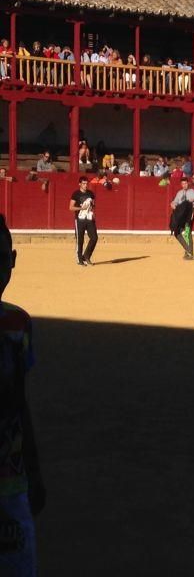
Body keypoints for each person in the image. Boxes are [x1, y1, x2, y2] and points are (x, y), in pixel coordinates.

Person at [0, 215, 46, 576]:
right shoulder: (17, 325)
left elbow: (21, 405)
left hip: (11, 480)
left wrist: (33, 470)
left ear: (13, 261)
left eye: (1, 259)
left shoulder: (19, 323)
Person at [170, 176, 194, 260]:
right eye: (183, 184)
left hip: (189, 216)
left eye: (186, 183)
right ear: (181, 184)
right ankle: (188, 251)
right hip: (180, 216)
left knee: (187, 233)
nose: (184, 185)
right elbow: (175, 201)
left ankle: (190, 253)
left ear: (188, 183)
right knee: (177, 233)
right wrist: (172, 204)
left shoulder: (192, 192)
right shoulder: (179, 193)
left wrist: (193, 200)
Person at [69, 176, 97, 266]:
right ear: (79, 184)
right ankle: (79, 259)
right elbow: (71, 207)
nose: (85, 185)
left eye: (86, 183)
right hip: (80, 219)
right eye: (83, 184)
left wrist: (92, 210)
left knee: (94, 238)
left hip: (89, 219)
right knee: (80, 240)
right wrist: (82, 207)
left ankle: (86, 256)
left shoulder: (91, 193)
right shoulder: (76, 194)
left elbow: (93, 204)